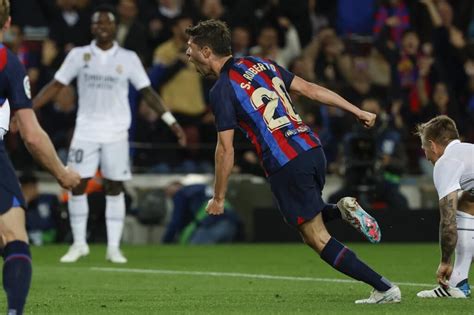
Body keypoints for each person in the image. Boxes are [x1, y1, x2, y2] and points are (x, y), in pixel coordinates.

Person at [185, 19, 401, 304]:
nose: (187, 54)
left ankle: (385, 288)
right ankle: (342, 210)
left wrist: (218, 196)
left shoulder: (222, 89)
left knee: (315, 237)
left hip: (284, 161)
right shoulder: (260, 64)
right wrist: (356, 110)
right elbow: (310, 89)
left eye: (190, 48)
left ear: (207, 51)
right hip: (311, 148)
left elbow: (225, 149)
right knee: (309, 218)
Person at [33, 5, 186, 264]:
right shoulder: (79, 55)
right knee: (76, 183)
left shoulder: (128, 58)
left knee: (115, 186)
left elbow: (148, 91)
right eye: (97, 23)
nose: (102, 27)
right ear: (92, 28)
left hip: (116, 132)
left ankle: (113, 248)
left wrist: (171, 121)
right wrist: (29, 109)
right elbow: (56, 85)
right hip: (86, 131)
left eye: (106, 23)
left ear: (115, 28)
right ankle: (79, 244)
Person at [0, 1, 80, 313]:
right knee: (13, 236)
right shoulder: (7, 61)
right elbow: (32, 135)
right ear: (8, 25)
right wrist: (62, 174)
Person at [415, 115, 474, 298]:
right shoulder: (469, 150)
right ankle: (459, 284)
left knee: (457, 208)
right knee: (466, 201)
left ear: (432, 145)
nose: (426, 156)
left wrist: (445, 261)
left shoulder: (445, 163)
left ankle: (455, 284)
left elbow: (448, 222)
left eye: (424, 148)